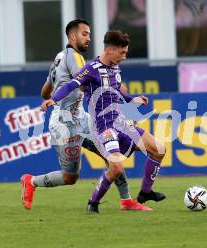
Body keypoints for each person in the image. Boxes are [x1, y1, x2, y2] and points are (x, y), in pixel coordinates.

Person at [21, 20, 150, 211]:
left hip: (83, 119)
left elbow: (45, 90)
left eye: (89, 34)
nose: (89, 38)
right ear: (72, 37)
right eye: (84, 34)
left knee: (113, 157)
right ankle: (31, 181)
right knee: (70, 177)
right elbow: (79, 82)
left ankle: (127, 200)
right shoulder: (77, 58)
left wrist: (50, 99)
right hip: (64, 125)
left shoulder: (58, 58)